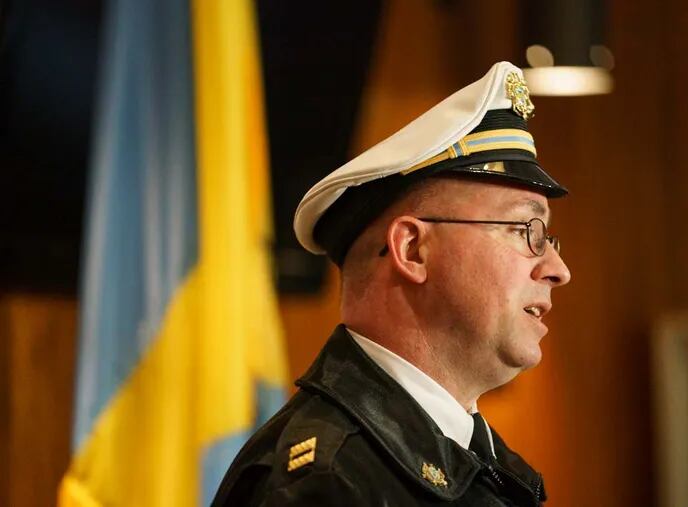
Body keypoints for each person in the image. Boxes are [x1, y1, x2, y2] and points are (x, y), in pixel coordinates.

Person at [212, 61, 571, 506]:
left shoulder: (470, 458)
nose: (558, 269)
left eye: (547, 237)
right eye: (523, 230)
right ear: (412, 249)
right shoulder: (325, 484)